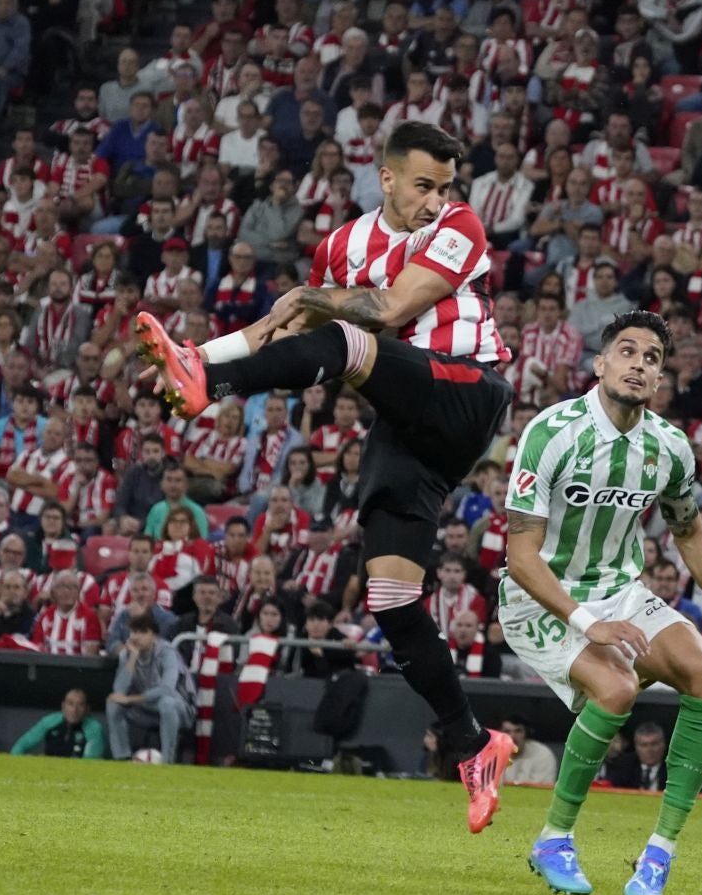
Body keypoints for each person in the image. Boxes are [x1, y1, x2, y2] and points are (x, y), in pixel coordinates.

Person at [133, 122, 518, 829]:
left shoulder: (460, 224)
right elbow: (281, 326)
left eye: (446, 186)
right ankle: (474, 742)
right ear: (389, 178)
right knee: (392, 599)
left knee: (346, 337)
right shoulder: (341, 247)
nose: (437, 200)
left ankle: (210, 388)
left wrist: (309, 304)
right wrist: (196, 357)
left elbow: (392, 308)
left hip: (465, 390)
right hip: (407, 423)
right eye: (424, 186)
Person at [501, 311, 702, 895]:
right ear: (601, 364)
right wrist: (590, 624)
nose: (638, 363)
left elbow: (691, 535)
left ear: (660, 379)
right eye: (626, 351)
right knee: (617, 689)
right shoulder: (551, 432)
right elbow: (521, 558)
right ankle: (554, 838)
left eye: (652, 357)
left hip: (618, 590)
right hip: (541, 599)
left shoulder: (669, 446)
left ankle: (659, 855)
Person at [105, 613, 195, 762]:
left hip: (179, 710)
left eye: (143, 632)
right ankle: (122, 757)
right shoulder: (127, 654)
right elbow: (119, 689)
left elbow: (167, 689)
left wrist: (130, 699)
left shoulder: (167, 653)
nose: (137, 637)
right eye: (134, 632)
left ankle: (167, 761)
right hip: (146, 709)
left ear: (154, 636)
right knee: (113, 702)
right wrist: (132, 658)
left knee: (166, 702)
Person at [12, 689, 108, 758]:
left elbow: (91, 762)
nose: (74, 710)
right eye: (70, 704)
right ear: (63, 706)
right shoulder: (50, 722)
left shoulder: (94, 729)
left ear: (87, 709)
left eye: (80, 705)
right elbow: (20, 746)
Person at [500, 717, 558, 787]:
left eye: (518, 731)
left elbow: (543, 790)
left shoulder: (543, 755)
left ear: (526, 734)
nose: (512, 736)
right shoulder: (491, 754)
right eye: (507, 731)